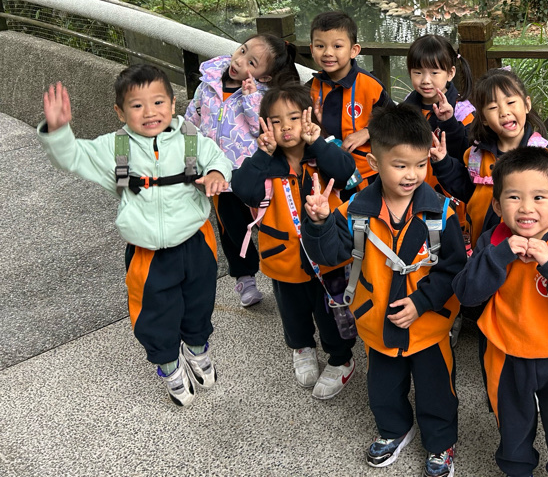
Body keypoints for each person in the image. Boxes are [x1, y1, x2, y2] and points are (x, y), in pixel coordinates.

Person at [38, 66, 233, 407]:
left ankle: (197, 348)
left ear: (172, 104)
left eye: (158, 102)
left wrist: (216, 173)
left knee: (200, 302)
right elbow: (72, 158)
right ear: (120, 111)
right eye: (137, 105)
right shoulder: (115, 147)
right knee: (154, 314)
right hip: (148, 253)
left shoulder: (190, 138)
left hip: (196, 242)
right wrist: (58, 131)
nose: (149, 112)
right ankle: (169, 365)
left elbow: (218, 158)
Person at [301, 104, 465, 477]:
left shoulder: (440, 214)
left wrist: (422, 302)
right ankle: (394, 429)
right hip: (376, 322)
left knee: (437, 391)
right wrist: (320, 224)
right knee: (383, 389)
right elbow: (329, 255)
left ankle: (440, 442)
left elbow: (454, 268)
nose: (412, 175)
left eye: (420, 164)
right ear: (374, 163)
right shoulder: (355, 210)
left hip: (428, 327)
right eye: (400, 165)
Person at [454, 147, 548, 477]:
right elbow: (465, 294)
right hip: (506, 354)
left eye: (538, 197)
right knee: (513, 430)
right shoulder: (492, 242)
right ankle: (517, 469)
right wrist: (499, 256)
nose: (526, 208)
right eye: (514, 197)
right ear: (497, 205)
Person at [231, 83, 360, 399]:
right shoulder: (263, 163)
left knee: (331, 311)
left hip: (327, 257)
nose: (286, 127)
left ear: (309, 117)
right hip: (283, 256)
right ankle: (302, 347)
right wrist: (262, 154)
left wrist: (318, 144)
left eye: (293, 118)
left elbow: (347, 172)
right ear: (265, 125)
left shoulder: (324, 152)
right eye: (276, 121)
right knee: (292, 311)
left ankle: (341, 359)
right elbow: (243, 189)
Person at [184, 34, 299, 308]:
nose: (239, 61)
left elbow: (263, 130)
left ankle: (285, 272)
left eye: (252, 62)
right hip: (219, 175)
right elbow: (191, 121)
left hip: (252, 173)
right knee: (231, 228)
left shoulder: (264, 95)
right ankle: (245, 279)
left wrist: (250, 99)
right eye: (242, 51)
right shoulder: (208, 82)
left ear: (265, 76)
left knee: (269, 223)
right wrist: (190, 162)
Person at [431, 67, 548, 248]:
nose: (504, 112)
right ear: (484, 118)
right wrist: (443, 162)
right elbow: (468, 190)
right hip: (483, 248)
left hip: (529, 252)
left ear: (527, 104)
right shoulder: (477, 155)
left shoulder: (542, 157)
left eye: (511, 102)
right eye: (493, 107)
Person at [404, 33, 476, 242]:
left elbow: (468, 154)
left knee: (453, 240)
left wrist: (449, 122)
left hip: (453, 193)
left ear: (450, 73)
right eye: (418, 72)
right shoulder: (407, 107)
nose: (425, 80)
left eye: (434, 72)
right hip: (415, 189)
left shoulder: (462, 110)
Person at [308, 11, 392, 189]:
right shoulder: (312, 87)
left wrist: (368, 131)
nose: (328, 53)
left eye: (337, 46)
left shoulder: (370, 85)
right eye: (320, 46)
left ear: (354, 50)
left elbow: (395, 119)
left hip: (366, 171)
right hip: (326, 170)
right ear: (311, 49)